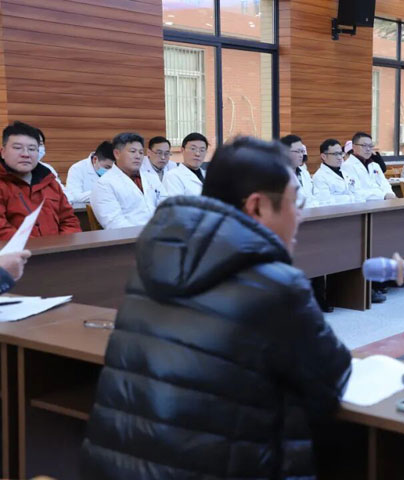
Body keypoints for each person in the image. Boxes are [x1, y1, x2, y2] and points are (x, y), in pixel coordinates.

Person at [81, 136, 352, 480]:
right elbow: (329, 382)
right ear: (257, 207)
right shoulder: (277, 284)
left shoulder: (154, 260)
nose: (299, 215)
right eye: (294, 202)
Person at [0, 121, 81, 240]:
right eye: (17, 148)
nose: (26, 154)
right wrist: (37, 247)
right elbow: (2, 230)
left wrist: (62, 246)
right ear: (3, 152)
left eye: (32, 149)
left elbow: (69, 221)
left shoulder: (49, 182)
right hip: (15, 251)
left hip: (57, 249)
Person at [90, 132, 167, 229]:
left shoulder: (151, 177)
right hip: (131, 236)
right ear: (117, 154)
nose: (138, 156)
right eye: (133, 151)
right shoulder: (104, 184)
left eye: (141, 152)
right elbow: (114, 223)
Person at [342, 132, 395, 201]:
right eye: (364, 145)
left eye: (370, 146)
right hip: (364, 205)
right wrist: (383, 196)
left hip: (384, 202)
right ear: (354, 147)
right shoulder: (347, 166)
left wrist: (390, 194)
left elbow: (384, 183)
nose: (368, 149)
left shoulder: (375, 165)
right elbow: (356, 192)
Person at [312, 138, 355, 205]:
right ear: (323, 156)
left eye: (340, 153)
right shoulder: (319, 177)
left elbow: (356, 192)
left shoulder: (345, 172)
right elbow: (325, 202)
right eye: (335, 154)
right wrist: (349, 198)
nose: (340, 157)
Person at [163, 133, 208, 197]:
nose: (197, 154)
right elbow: (176, 202)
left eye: (202, 150)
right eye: (193, 149)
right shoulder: (172, 176)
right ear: (182, 150)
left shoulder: (208, 175)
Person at [281, 134, 318, 208]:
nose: (301, 155)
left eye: (302, 151)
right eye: (298, 151)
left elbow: (313, 195)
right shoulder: (278, 175)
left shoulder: (304, 172)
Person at [34, 127, 69, 199]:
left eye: (40, 144)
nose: (38, 148)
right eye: (33, 144)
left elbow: (64, 193)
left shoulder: (47, 168)